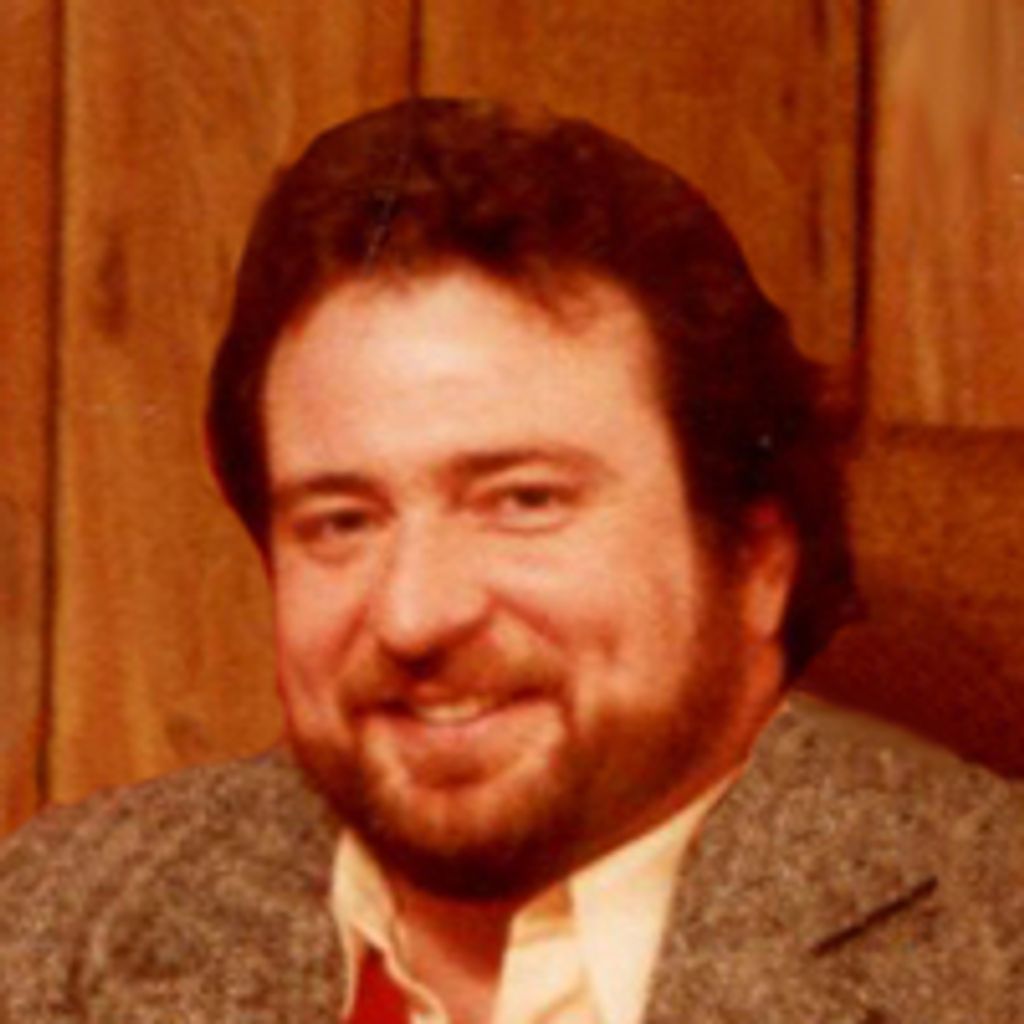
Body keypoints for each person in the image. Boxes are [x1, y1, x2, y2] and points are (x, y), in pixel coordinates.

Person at [1, 97, 1021, 1023]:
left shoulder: (989, 954)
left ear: (756, 563)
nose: (414, 614)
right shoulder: (48, 924)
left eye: (523, 501)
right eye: (342, 521)